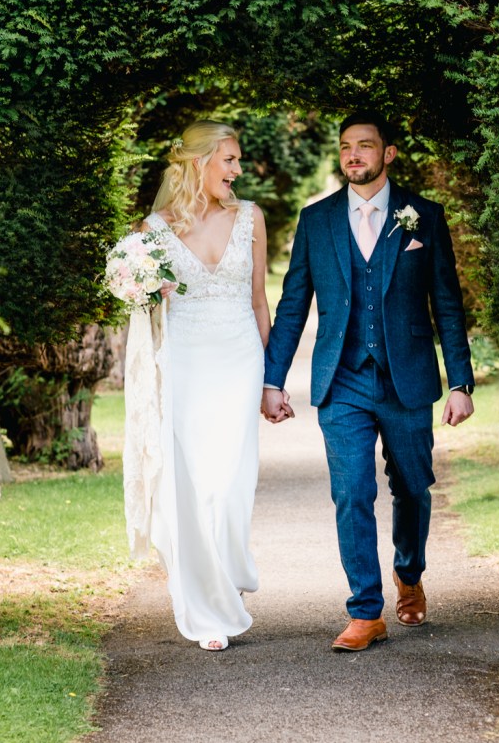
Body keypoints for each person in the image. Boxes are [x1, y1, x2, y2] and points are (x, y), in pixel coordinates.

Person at [262, 109, 475, 651]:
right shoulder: (317, 220)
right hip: (342, 382)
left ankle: (409, 573)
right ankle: (364, 610)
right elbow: (292, 307)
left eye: (365, 145)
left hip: (407, 380)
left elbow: (447, 305)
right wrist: (273, 380)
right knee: (351, 492)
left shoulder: (423, 216)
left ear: (388, 153)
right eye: (345, 147)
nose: (353, 155)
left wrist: (460, 383)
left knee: (412, 488)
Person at [124, 120, 271, 652]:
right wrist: (141, 286)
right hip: (184, 363)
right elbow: (140, 303)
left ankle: (225, 571)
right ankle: (207, 610)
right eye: (228, 160)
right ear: (197, 164)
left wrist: (270, 379)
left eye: (237, 161)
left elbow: (259, 301)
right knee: (194, 482)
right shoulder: (152, 231)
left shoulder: (251, 218)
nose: (236, 170)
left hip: (239, 360)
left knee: (232, 484)